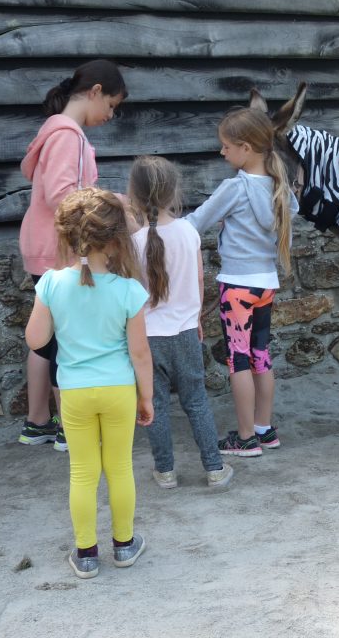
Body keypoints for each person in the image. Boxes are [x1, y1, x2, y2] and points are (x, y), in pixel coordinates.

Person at [24, 187, 154, 580]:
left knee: (82, 471)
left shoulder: (51, 284)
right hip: (118, 391)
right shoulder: (129, 290)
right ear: (115, 240)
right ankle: (124, 545)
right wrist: (146, 398)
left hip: (75, 393)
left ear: (66, 235)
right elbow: (140, 354)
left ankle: (85, 554)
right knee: (120, 467)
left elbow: (36, 339)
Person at [17, 59, 128, 451]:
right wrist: (114, 200)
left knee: (45, 340)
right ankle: (69, 428)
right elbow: (62, 195)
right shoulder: (68, 135)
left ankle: (38, 422)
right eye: (111, 105)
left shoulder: (57, 131)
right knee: (68, 342)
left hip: (43, 246)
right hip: (60, 249)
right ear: (95, 91)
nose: (110, 115)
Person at [185, 107, 298, 458]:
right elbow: (290, 214)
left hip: (236, 287)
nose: (222, 152)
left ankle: (246, 437)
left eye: (226, 146)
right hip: (265, 284)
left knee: (238, 360)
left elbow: (194, 224)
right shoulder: (280, 188)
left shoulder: (234, 188)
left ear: (246, 148)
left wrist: (157, 229)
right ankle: (264, 429)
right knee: (261, 355)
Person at [126, 155, 234, 490]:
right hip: (186, 332)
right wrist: (196, 317)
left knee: (154, 405)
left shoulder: (133, 242)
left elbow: (131, 292)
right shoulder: (188, 231)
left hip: (147, 338)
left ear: (134, 195)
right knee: (196, 401)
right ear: (174, 192)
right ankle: (215, 469)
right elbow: (200, 280)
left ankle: (165, 472)